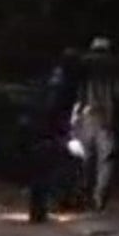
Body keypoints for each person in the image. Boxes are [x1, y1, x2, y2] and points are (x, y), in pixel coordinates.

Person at [71, 37, 119, 211]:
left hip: (85, 116)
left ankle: (82, 195)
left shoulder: (82, 64)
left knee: (84, 158)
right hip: (106, 118)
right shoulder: (115, 67)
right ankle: (99, 198)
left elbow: (76, 91)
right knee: (106, 160)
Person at [28, 47, 81, 223]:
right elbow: (56, 108)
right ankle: (41, 211)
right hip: (49, 129)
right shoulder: (64, 83)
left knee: (41, 171)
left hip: (38, 127)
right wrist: (63, 130)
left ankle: (39, 210)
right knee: (49, 170)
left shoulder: (51, 79)